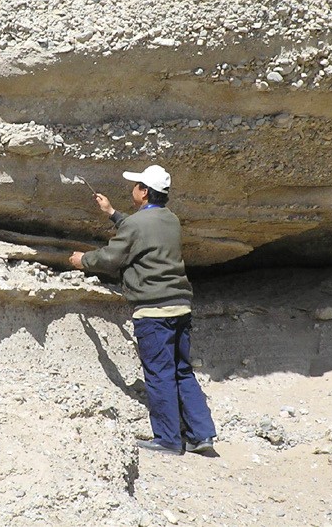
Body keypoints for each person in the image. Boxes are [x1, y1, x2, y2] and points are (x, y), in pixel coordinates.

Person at [69, 164, 217, 456]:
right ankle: (202, 435)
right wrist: (112, 213)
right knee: (182, 371)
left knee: (159, 373)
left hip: (153, 311)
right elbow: (141, 229)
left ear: (145, 192)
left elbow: (111, 257)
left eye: (136, 185)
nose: (133, 188)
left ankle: (168, 439)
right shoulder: (171, 220)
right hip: (180, 307)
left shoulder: (137, 225)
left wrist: (82, 260)